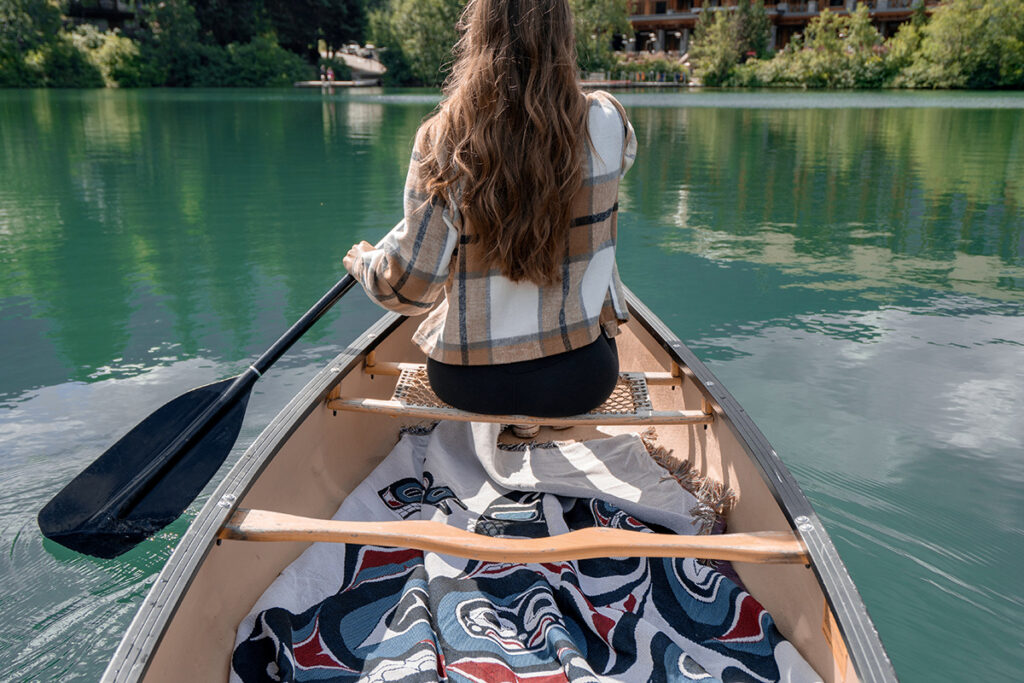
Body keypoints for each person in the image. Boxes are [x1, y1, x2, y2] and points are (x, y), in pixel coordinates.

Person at [344, 0, 636, 428]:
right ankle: (536, 421)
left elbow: (411, 292)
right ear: (564, 35)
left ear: (478, 33)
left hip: (469, 383)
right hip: (580, 381)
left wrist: (364, 264)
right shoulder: (609, 121)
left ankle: (517, 421)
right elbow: (620, 163)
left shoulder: (442, 139)